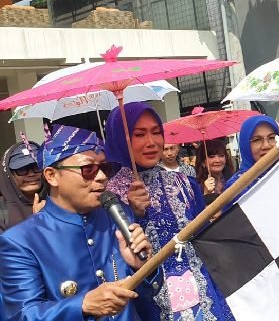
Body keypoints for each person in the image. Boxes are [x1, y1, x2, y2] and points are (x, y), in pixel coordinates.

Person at [0, 125, 161, 320]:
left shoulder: (118, 216)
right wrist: (82, 305)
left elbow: (149, 294)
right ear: (52, 176)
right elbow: (21, 315)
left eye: (105, 168)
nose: (101, 177)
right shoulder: (20, 242)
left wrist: (142, 267)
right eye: (88, 169)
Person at [104, 103, 234, 321]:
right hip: (151, 305)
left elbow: (205, 240)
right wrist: (132, 212)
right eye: (139, 134)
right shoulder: (109, 197)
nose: (151, 142)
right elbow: (111, 260)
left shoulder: (184, 183)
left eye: (156, 132)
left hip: (205, 298)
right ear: (119, 139)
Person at [224, 114, 279, 194]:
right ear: (245, 145)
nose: (266, 145)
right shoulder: (236, 187)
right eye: (257, 140)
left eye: (272, 138)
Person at [0, 141, 45, 232]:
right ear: (9, 174)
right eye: (22, 169)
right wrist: (38, 222)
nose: (31, 174)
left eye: (36, 167)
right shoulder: (2, 211)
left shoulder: (61, 201)